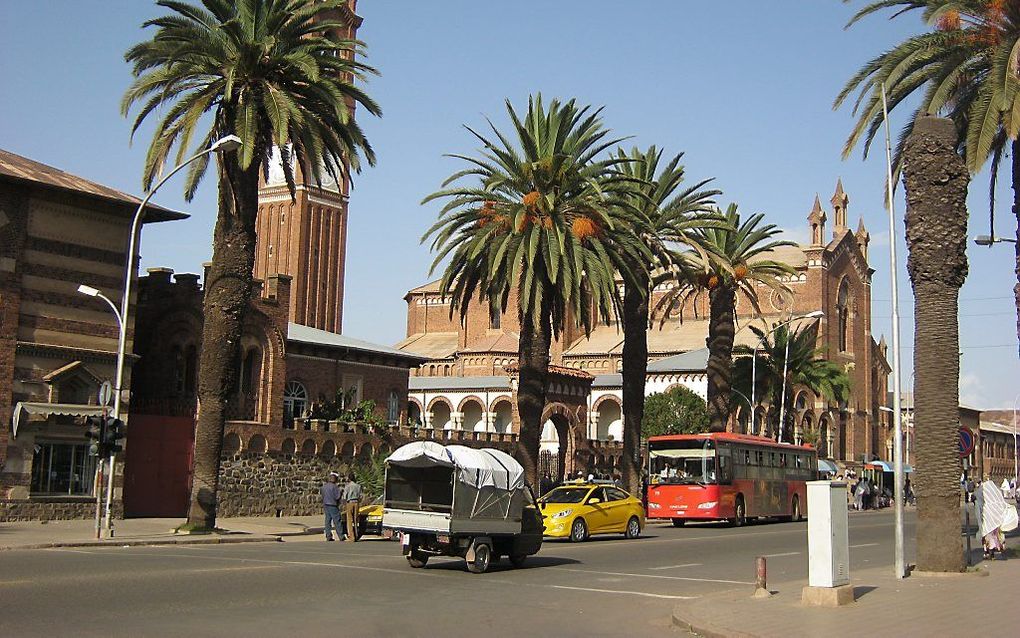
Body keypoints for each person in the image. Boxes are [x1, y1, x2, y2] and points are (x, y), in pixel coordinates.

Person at [979, 479, 1018, 559]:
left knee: (988, 538)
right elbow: (1003, 507)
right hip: (995, 524)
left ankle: (988, 552)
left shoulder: (986, 503)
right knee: (994, 537)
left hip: (988, 524)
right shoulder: (997, 499)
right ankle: (992, 552)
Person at [320, 472, 343, 542]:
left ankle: (328, 535)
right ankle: (341, 535)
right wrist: (341, 493)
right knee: (337, 520)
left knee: (327, 520)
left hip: (326, 504)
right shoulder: (335, 487)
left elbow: (322, 495)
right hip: (333, 505)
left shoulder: (324, 487)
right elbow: (337, 497)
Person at [343, 473, 363, 543]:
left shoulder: (348, 486)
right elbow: (361, 496)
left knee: (349, 520)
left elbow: (345, 496)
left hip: (350, 502)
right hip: (356, 502)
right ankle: (356, 534)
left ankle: (352, 536)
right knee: (355, 519)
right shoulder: (358, 486)